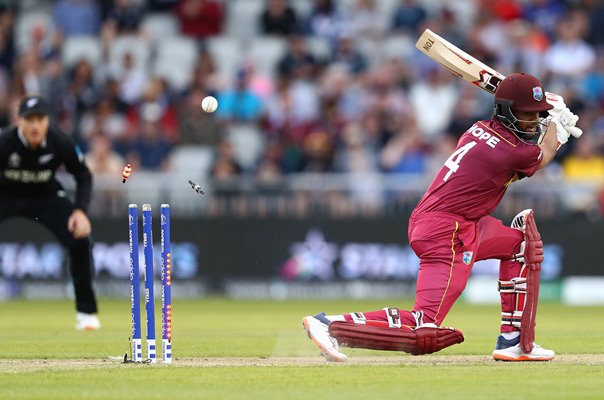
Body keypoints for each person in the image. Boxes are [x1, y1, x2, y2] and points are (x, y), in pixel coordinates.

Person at [303, 73, 582, 362]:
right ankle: (330, 325)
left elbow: (531, 149)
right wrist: (557, 128)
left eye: (536, 115)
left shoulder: (478, 128)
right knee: (423, 326)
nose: (532, 121)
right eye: (526, 114)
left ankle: (514, 341)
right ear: (507, 112)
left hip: (464, 222)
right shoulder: (511, 152)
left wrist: (549, 120)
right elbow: (542, 153)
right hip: (446, 231)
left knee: (521, 246)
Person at [0, 95, 100, 330]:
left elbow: (83, 175)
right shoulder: (4, 142)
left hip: (45, 197)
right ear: (19, 121)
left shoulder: (60, 141)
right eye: (29, 120)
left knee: (80, 238)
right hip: (5, 195)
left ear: (47, 121)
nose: (35, 125)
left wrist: (80, 211)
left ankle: (86, 313)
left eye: (40, 119)